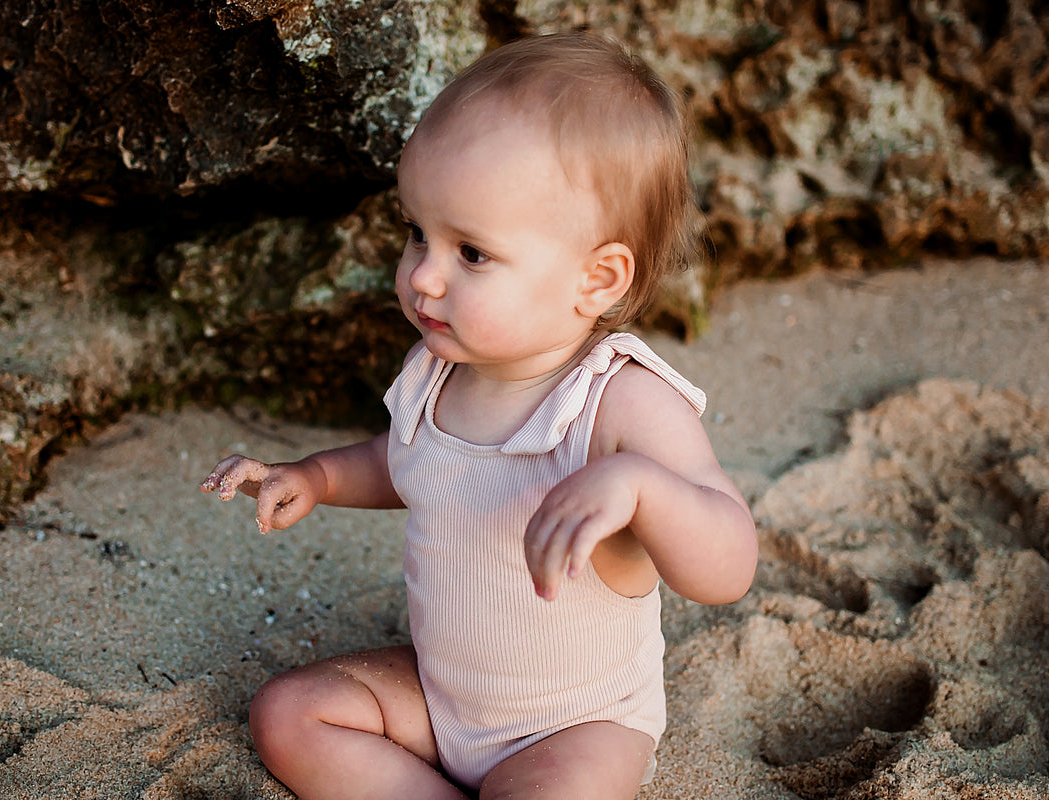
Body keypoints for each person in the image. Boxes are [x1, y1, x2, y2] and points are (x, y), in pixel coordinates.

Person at [201, 32, 758, 800]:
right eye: (417, 234)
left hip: (576, 725)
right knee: (289, 714)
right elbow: (410, 463)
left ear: (597, 279)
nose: (422, 276)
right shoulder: (438, 373)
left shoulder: (618, 402)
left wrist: (640, 489)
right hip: (443, 697)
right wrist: (319, 476)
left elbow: (729, 565)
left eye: (471, 254)